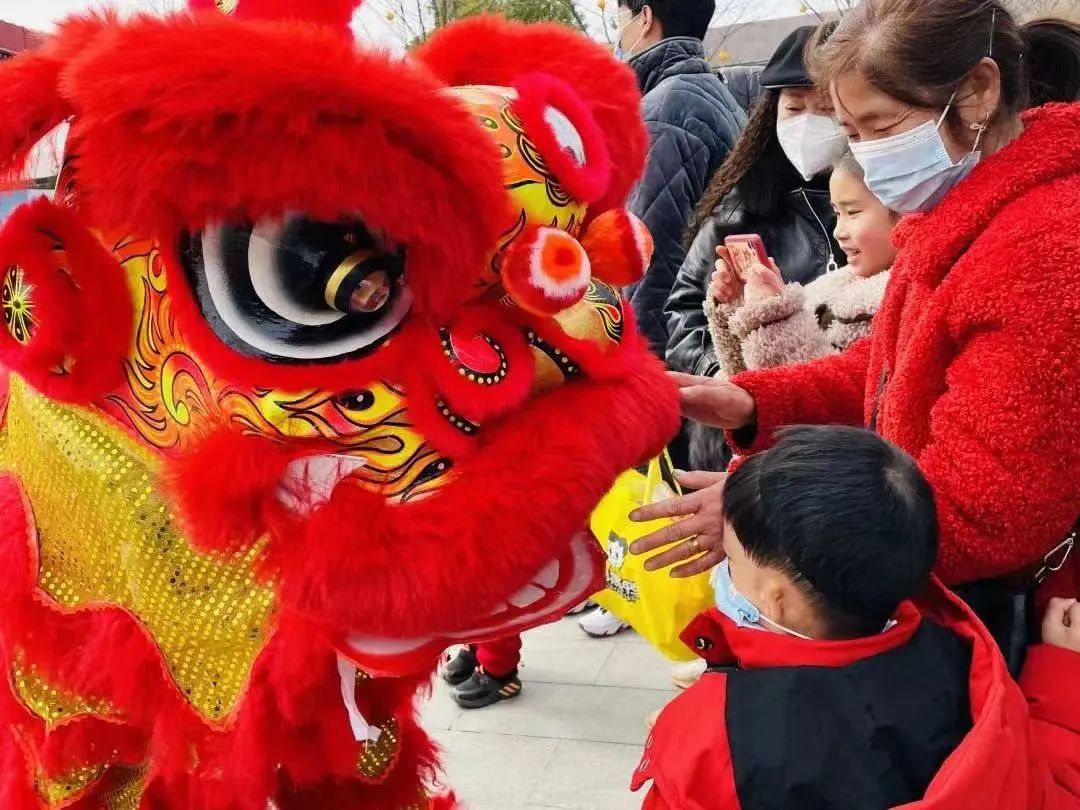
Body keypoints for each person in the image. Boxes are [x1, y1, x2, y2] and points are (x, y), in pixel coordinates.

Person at [632, 1, 1080, 666]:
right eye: (852, 133)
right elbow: (900, 362)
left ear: (980, 90)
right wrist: (758, 402)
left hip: (994, 628)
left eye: (881, 126)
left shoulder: (1043, 246)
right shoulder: (966, 208)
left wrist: (767, 508)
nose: (867, 160)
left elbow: (983, 507)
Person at [633, 426, 1080, 809]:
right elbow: (1043, 791)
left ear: (775, 598)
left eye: (729, 558)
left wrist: (688, 735)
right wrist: (1060, 683)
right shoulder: (972, 671)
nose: (723, 574)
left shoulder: (710, 743)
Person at [665, 24, 843, 475]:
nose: (807, 123)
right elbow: (684, 306)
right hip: (738, 448)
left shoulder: (888, 206)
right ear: (771, 113)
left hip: (836, 440)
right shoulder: (741, 205)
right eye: (794, 107)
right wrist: (724, 377)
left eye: (825, 109)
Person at [617, 0, 746, 358]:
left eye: (620, 20)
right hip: (705, 330)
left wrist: (643, 366)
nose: (618, 34)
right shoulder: (715, 93)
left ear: (644, 19)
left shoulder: (664, 110)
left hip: (678, 344)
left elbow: (647, 255)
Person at [707, 151, 896, 380]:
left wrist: (772, 316)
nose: (838, 231)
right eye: (836, 213)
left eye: (852, 212)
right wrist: (742, 307)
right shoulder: (826, 287)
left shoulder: (897, 303)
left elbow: (828, 396)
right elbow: (751, 386)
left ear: (905, 209)